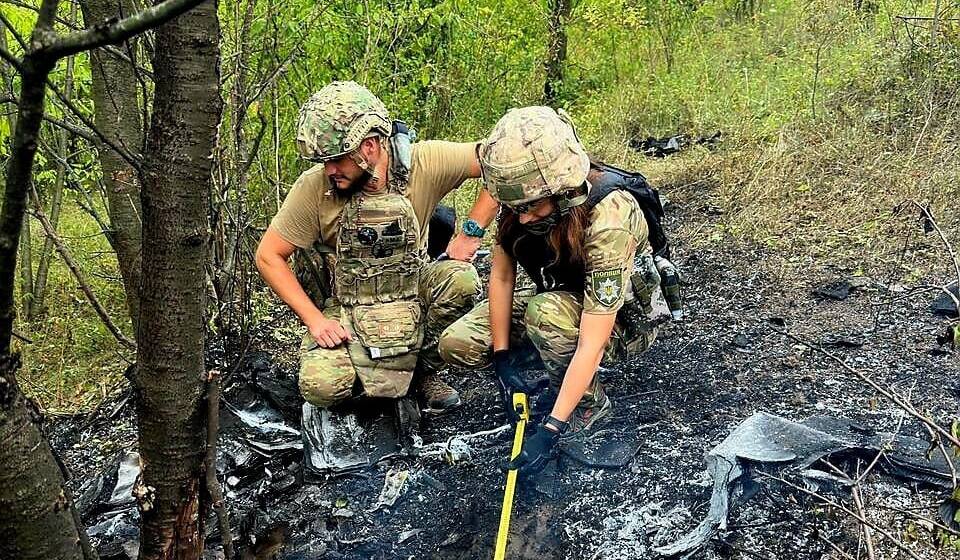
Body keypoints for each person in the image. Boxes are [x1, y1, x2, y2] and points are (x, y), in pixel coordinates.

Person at [439, 106, 673, 475]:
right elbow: (501, 278)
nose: (522, 217)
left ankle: (589, 405)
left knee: (545, 314)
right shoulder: (522, 201)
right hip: (558, 298)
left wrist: (551, 428)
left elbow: (593, 340)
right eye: (513, 208)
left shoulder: (610, 217)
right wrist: (502, 359)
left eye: (531, 207)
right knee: (459, 342)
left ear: (562, 191)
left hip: (620, 322)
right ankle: (543, 371)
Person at [255, 81, 498, 438]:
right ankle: (369, 383)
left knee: (461, 280)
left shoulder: (424, 163)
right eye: (324, 162)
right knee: (321, 387)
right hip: (349, 309)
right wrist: (315, 321)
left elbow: (500, 161)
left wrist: (471, 233)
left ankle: (420, 371)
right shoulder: (315, 188)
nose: (329, 170)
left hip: (413, 292)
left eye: (336, 159)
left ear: (368, 147)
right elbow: (268, 255)